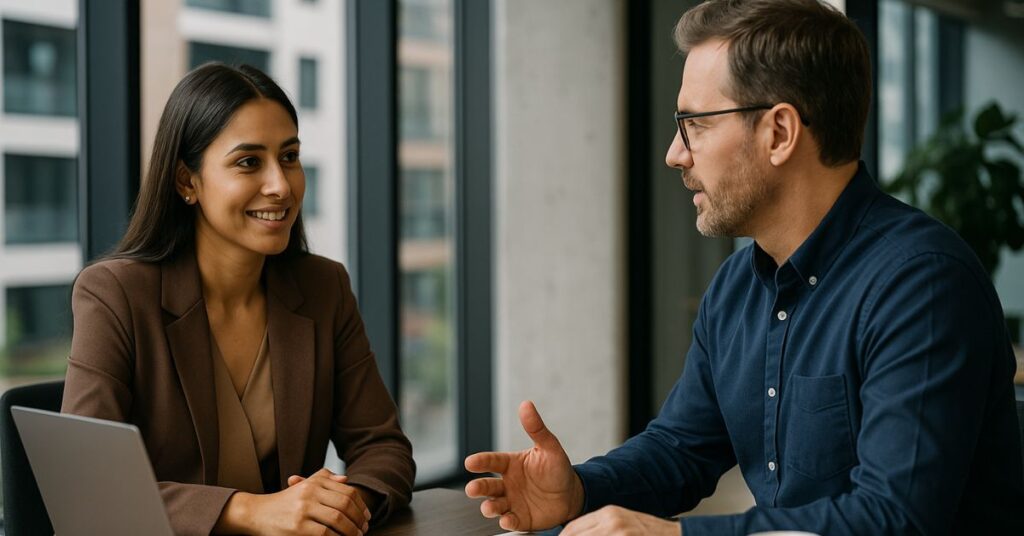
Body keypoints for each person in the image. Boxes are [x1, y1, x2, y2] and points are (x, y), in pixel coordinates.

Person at [464, 0, 1024, 534]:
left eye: (696, 124)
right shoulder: (737, 287)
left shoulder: (921, 284)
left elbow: (892, 520)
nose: (675, 154)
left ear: (779, 133)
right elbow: (679, 449)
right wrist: (579, 491)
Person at [61, 63, 415, 536]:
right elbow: (86, 484)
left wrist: (340, 506)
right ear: (187, 182)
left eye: (289, 157)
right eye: (249, 162)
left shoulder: (322, 287)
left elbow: (383, 448)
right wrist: (249, 511)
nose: (281, 186)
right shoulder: (115, 295)